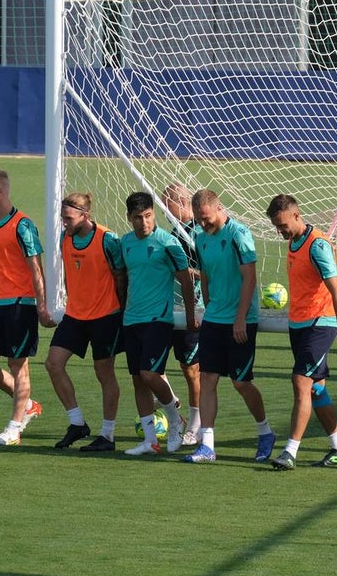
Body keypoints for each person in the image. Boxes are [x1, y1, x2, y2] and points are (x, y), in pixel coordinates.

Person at [265, 194, 337, 470]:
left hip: (321, 323)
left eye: (282, 225)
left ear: (296, 215)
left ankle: (290, 451)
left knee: (300, 381)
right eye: (276, 226)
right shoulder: (294, 241)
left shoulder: (317, 245)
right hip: (300, 324)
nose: (279, 231)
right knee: (317, 389)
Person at [184, 189, 276, 464]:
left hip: (240, 321)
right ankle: (207, 445)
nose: (203, 224)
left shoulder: (239, 234)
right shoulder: (201, 239)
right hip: (214, 319)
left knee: (240, 382)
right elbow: (206, 276)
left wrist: (240, 318)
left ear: (219, 208)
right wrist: (208, 307)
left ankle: (265, 432)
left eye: (207, 218)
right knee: (207, 379)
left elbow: (249, 278)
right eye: (199, 220)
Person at [0, 169, 55, 446]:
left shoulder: (23, 225)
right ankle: (28, 405)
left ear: (0, 192)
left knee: (18, 366)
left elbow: (35, 267)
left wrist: (41, 304)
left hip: (20, 304)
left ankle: (14, 428)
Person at [47, 192, 126, 451]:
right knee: (53, 364)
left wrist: (121, 311)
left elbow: (120, 276)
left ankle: (108, 435)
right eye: (63, 219)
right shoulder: (64, 238)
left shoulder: (108, 239)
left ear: (85, 215)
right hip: (75, 315)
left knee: (104, 373)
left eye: (68, 218)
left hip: (105, 316)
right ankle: (77, 423)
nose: (64, 224)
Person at [115, 191, 192, 456]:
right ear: (129, 218)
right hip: (132, 319)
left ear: (154, 214)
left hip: (158, 319)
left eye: (148, 216)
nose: (144, 222)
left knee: (150, 374)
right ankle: (150, 441)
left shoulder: (168, 243)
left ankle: (175, 421)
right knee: (138, 380)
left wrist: (192, 317)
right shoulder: (125, 243)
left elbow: (186, 279)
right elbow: (123, 278)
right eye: (138, 217)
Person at [162, 182, 204, 445]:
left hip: (193, 308)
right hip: (166, 307)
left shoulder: (198, 233)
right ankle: (171, 403)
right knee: (148, 368)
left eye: (168, 204)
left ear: (183, 203)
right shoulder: (173, 232)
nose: (165, 210)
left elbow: (211, 271)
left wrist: (191, 275)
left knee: (191, 369)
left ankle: (196, 423)